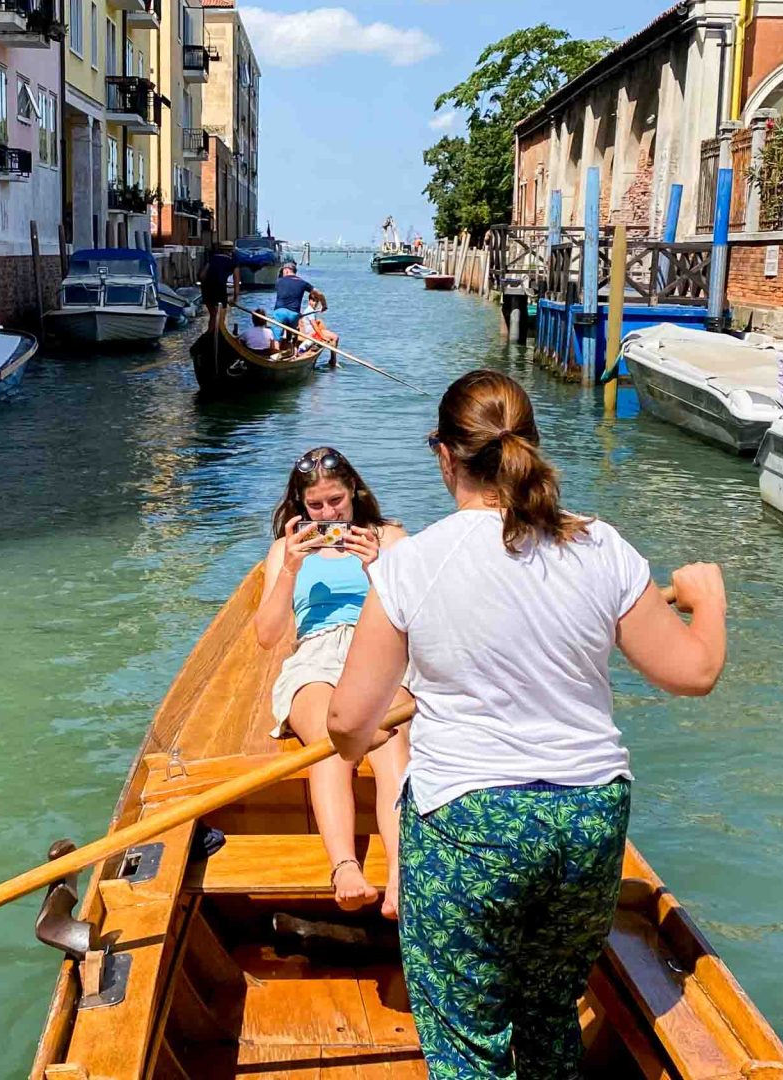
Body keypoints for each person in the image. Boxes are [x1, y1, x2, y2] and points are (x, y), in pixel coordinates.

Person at [325, 370, 728, 1078]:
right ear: (530, 447)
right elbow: (692, 672)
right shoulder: (601, 547)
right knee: (548, 1017)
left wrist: (371, 733)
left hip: (469, 824)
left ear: (443, 454)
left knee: (468, 1044)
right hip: (588, 820)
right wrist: (708, 600)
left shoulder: (412, 565)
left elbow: (348, 724)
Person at [254, 447, 414, 916]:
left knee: (390, 740)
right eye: (316, 506)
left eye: (336, 501)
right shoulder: (287, 550)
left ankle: (400, 876)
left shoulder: (391, 537)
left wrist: (376, 568)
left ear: (354, 493)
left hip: (379, 647)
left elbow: (418, 615)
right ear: (301, 505)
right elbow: (266, 636)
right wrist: (290, 569)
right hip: (316, 654)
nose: (328, 514)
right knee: (328, 738)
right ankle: (345, 865)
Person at [271, 262, 324, 352]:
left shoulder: (279, 281)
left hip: (279, 312)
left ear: (286, 271)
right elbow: (319, 293)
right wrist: (324, 305)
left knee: (276, 337)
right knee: (292, 334)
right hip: (294, 314)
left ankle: (276, 352)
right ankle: (292, 351)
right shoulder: (303, 283)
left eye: (283, 271)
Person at [198, 242, 237, 334]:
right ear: (231, 250)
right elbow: (236, 282)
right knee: (221, 317)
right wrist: (235, 299)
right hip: (220, 289)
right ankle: (218, 334)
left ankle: (210, 335)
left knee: (213, 315)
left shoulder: (212, 259)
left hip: (206, 289)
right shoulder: (233, 261)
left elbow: (202, 276)